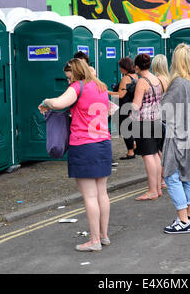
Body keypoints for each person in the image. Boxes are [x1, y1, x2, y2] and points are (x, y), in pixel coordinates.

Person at [38, 58, 111, 252]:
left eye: (69, 77)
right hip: (103, 143)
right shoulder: (101, 86)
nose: (68, 82)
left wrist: (45, 101)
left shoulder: (78, 87)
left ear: (76, 73)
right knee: (102, 192)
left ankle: (94, 240)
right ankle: (103, 235)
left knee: (89, 196)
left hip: (85, 145)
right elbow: (109, 110)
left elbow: (58, 103)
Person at [161, 43, 190, 234]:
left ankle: (183, 221)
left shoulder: (178, 82)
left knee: (171, 176)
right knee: (188, 175)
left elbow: (163, 111)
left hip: (178, 135)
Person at [132, 53, 164, 200]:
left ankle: (152, 190)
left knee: (148, 156)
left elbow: (136, 105)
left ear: (137, 67)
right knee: (156, 155)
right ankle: (157, 188)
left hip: (144, 122)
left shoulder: (142, 81)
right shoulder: (156, 79)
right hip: (156, 119)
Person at [108, 57, 138, 160]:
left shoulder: (126, 78)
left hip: (124, 107)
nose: (119, 69)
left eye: (121, 67)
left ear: (125, 67)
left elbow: (121, 94)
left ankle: (130, 152)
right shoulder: (135, 76)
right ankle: (134, 145)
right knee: (130, 128)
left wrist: (106, 92)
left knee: (125, 130)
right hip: (132, 106)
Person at [151, 54, 169, 188]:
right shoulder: (170, 79)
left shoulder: (157, 80)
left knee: (158, 151)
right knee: (166, 149)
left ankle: (162, 179)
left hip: (159, 117)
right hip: (170, 117)